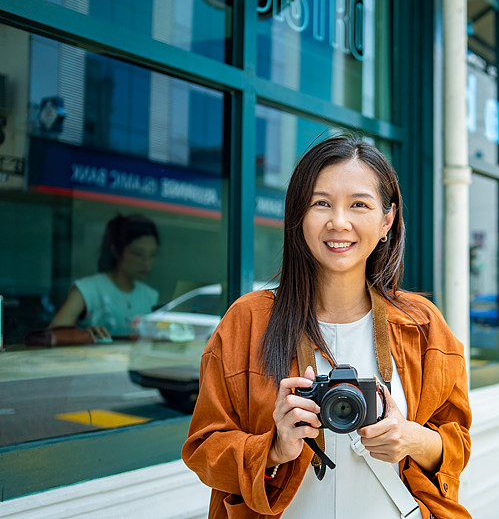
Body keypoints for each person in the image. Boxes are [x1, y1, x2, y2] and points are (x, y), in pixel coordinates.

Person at [182, 134, 472, 519]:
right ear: (298, 215)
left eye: (359, 204)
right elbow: (204, 448)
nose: (339, 222)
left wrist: (412, 439)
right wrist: (273, 448)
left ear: (387, 220)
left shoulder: (422, 324)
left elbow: (457, 445)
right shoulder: (247, 322)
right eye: (321, 203)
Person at [50, 214, 159, 340]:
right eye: (138, 254)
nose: (147, 263)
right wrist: (83, 335)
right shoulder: (87, 290)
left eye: (152, 255)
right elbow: (52, 335)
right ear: (116, 251)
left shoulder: (150, 296)